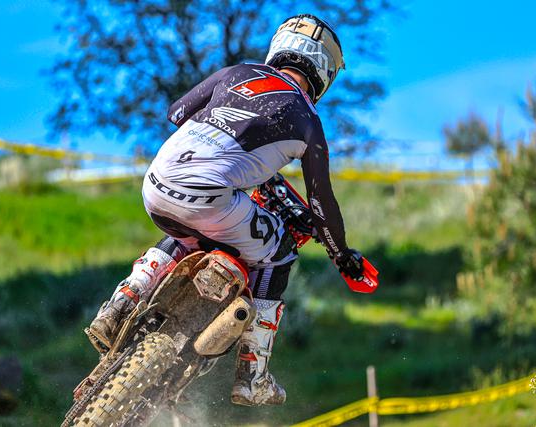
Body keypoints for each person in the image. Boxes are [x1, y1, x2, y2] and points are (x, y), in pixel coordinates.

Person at [87, 14, 366, 406]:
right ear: (325, 72)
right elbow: (321, 202)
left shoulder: (238, 72)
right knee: (280, 252)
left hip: (156, 185)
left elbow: (176, 112)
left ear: (279, 46)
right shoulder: (308, 119)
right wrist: (342, 255)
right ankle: (253, 376)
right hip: (210, 196)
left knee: (190, 233)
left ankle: (123, 301)